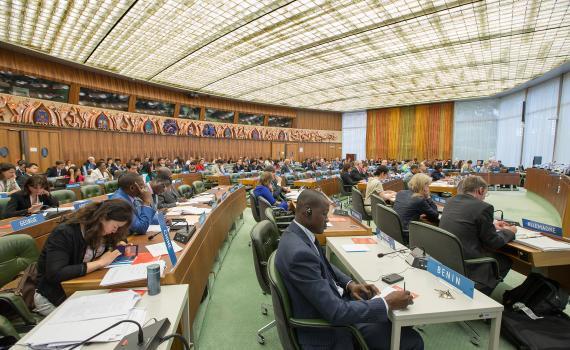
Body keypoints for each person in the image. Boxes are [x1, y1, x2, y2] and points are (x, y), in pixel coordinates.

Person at [276, 189, 422, 350]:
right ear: (306, 212)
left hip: (335, 305)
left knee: (402, 323)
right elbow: (336, 313)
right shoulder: (299, 254)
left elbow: (323, 264)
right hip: (331, 331)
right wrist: (386, 303)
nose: (327, 219)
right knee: (412, 340)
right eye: (324, 214)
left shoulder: (298, 234)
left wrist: (350, 284)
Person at [34, 200, 133, 315]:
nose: (115, 231)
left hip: (80, 287)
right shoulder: (65, 233)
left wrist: (120, 242)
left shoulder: (104, 229)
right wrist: (100, 263)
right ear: (102, 217)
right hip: (54, 296)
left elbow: (120, 237)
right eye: (115, 226)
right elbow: (55, 273)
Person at [439, 176, 516, 294]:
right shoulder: (484, 207)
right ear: (480, 190)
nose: (485, 197)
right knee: (505, 261)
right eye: (485, 193)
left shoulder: (450, 201)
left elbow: (468, 221)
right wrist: (510, 231)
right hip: (468, 264)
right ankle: (481, 295)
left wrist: (492, 225)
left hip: (448, 258)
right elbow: (493, 242)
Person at [393, 173, 439, 238]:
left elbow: (407, 211)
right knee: (437, 225)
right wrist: (428, 197)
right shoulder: (419, 199)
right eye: (428, 186)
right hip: (407, 233)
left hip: (395, 229)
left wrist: (416, 216)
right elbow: (435, 215)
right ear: (423, 186)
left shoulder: (400, 192)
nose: (428, 188)